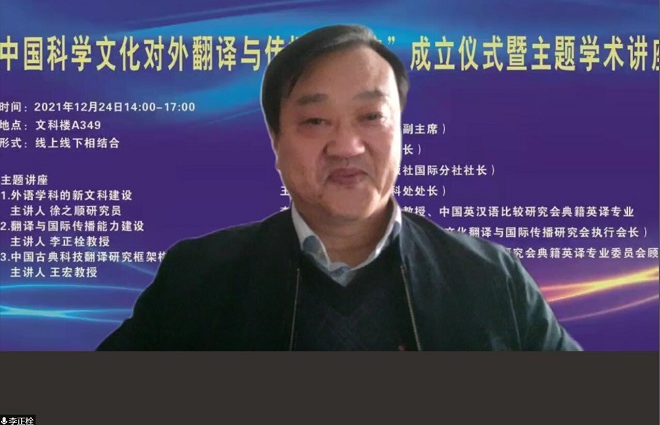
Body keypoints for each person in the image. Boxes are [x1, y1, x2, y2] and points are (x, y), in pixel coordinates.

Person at [97, 24, 582, 351]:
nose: (347, 146)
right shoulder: (198, 279)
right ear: (275, 140)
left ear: (400, 131)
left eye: (371, 116)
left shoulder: (492, 278)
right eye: (315, 120)